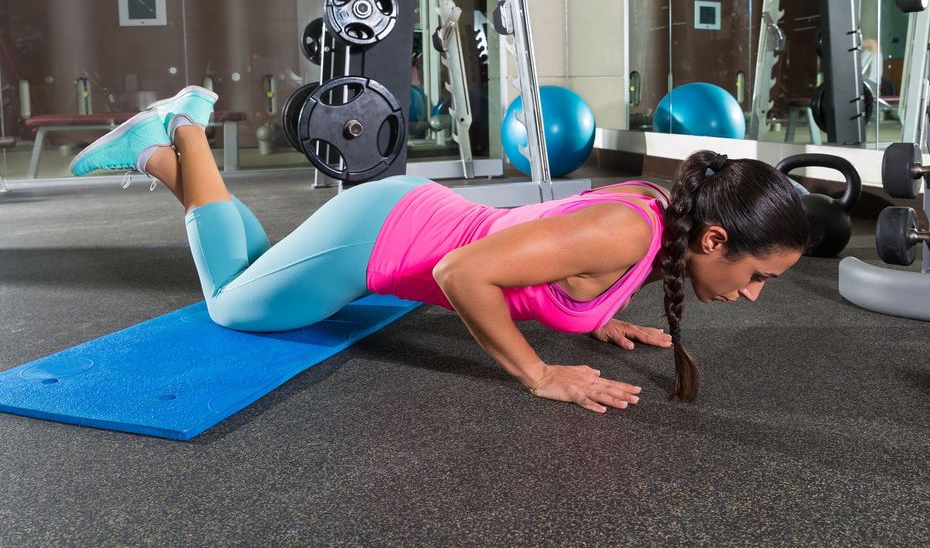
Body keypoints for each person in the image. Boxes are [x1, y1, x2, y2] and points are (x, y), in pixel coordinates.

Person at [70, 86, 809, 414]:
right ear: (716, 238)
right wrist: (539, 373)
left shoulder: (663, 211)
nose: (751, 294)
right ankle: (182, 130)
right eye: (756, 275)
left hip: (402, 215)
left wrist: (598, 314)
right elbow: (463, 274)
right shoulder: (629, 230)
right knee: (233, 303)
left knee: (258, 272)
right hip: (379, 240)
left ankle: (166, 155)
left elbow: (563, 258)